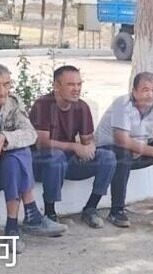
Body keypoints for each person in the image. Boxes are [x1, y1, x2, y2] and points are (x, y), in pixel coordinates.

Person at [0, 64, 66, 240]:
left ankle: (13, 226)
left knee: (16, 158)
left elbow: (30, 134)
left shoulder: (13, 102)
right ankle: (30, 215)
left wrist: (4, 137)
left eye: (6, 84)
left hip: (9, 167)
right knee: (19, 152)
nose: (2, 91)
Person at [93, 72, 153, 227]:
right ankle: (117, 210)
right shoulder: (122, 105)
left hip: (138, 144)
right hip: (109, 148)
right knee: (124, 155)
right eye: (145, 90)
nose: (151, 94)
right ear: (135, 91)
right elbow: (122, 140)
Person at [30, 65, 117, 228]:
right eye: (71, 84)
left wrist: (89, 148)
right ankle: (49, 213)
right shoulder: (43, 105)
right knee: (56, 156)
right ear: (56, 86)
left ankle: (90, 208)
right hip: (42, 163)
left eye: (79, 84)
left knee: (107, 157)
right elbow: (41, 143)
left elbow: (87, 139)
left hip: (67, 160)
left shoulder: (81, 107)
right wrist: (75, 147)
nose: (76, 89)